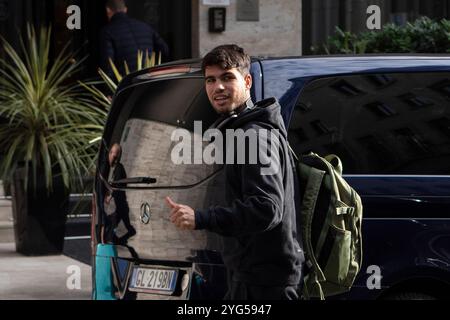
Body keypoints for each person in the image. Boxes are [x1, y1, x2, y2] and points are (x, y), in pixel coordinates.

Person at [165, 44, 304, 300]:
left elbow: (267, 209)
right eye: (210, 79)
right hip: (250, 277)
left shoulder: (255, 137)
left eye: (227, 77)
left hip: (265, 285)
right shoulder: (240, 132)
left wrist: (202, 218)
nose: (217, 87)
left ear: (247, 81)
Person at [100, 0, 169, 79]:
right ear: (125, 9)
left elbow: (108, 66)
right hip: (149, 80)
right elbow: (165, 50)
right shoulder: (145, 27)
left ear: (108, 10)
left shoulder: (107, 32)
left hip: (128, 84)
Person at [104, 143, 136, 245]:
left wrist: (109, 196)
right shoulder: (117, 168)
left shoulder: (118, 168)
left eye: (113, 154)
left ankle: (116, 241)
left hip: (121, 206)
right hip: (121, 206)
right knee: (114, 225)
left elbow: (117, 185)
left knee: (111, 225)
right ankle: (118, 240)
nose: (111, 157)